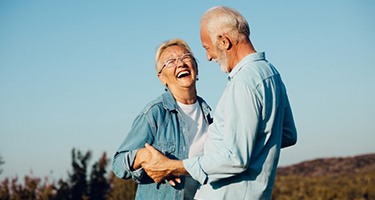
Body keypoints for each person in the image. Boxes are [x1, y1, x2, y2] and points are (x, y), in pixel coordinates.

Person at [141, 6, 297, 199]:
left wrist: (173, 166)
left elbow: (235, 158)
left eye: (207, 48)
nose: (208, 57)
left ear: (224, 41)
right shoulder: (271, 73)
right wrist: (249, 144)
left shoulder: (243, 83)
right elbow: (288, 134)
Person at [112, 38, 213, 200]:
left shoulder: (210, 115)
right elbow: (118, 164)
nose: (180, 64)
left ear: (196, 67)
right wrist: (142, 155)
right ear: (161, 77)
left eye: (185, 57)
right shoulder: (155, 113)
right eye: (171, 61)